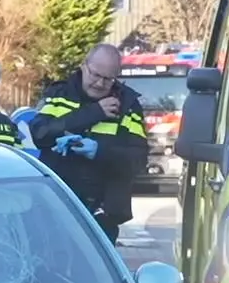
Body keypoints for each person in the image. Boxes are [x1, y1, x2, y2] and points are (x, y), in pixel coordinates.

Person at [29, 43, 148, 242]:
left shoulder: (127, 106)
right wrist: (94, 113)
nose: (100, 84)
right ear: (84, 66)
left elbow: (138, 159)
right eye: (95, 75)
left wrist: (99, 151)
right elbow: (40, 134)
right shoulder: (60, 95)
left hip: (101, 214)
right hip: (56, 207)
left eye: (108, 79)